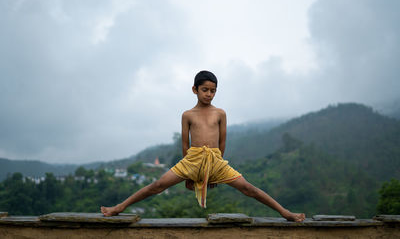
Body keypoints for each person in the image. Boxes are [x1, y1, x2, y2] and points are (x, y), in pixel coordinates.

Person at [101, 70, 305, 222]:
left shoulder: (220, 113)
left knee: (248, 188)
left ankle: (285, 213)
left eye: (213, 91)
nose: (209, 94)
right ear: (195, 90)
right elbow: (184, 143)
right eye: (205, 90)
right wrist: (190, 174)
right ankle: (119, 207)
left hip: (216, 160)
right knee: (157, 186)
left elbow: (222, 142)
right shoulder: (187, 115)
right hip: (192, 159)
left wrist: (213, 171)